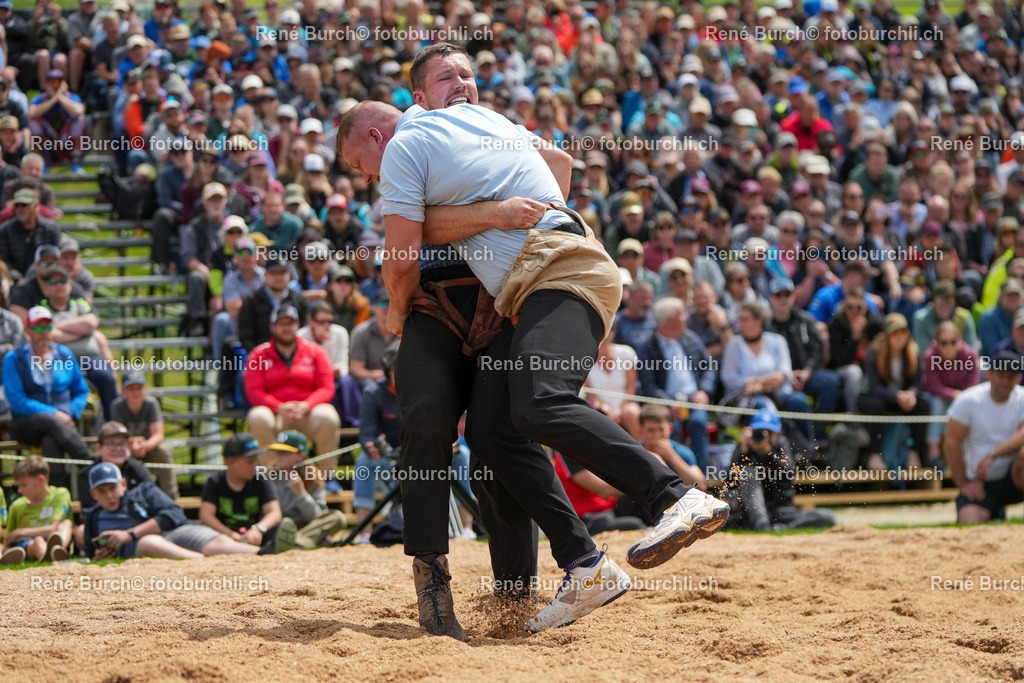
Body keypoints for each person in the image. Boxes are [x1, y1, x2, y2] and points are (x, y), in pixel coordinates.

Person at [339, 75, 727, 618]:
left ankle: (668, 499)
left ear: (382, 134)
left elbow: (406, 252)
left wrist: (398, 310)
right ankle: (575, 568)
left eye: (361, 166)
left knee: (535, 408)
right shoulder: (470, 130)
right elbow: (436, 223)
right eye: (448, 76)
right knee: (494, 436)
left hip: (538, 279)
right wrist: (495, 214)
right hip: (515, 290)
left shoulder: (438, 133)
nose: (366, 178)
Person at [84, 462, 268, 559]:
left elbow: (174, 513)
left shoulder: (144, 491)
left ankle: (264, 553)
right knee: (150, 542)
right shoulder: (93, 516)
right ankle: (204, 561)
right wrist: (100, 554)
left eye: (113, 488)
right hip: (144, 544)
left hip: (173, 531)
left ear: (123, 485)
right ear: (93, 493)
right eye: (102, 491)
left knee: (218, 540)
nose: (109, 495)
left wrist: (129, 534)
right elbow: (90, 552)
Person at [3, 306, 93, 489]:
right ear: (28, 330)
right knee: (49, 421)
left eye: (47, 327)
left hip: (62, 424)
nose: (43, 332)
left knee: (51, 440)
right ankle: (88, 461)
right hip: (26, 423)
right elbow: (17, 401)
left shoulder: (64, 354)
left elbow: (81, 390)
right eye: (38, 327)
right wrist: (55, 414)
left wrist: (70, 412)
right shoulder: (14, 359)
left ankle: (62, 499)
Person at [944, 350, 1024, 524]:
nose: (1005, 381)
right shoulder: (969, 400)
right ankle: (994, 510)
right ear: (989, 374)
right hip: (981, 483)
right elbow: (951, 442)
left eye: (1011, 377)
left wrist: (993, 455)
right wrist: (963, 483)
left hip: (1015, 477)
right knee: (969, 521)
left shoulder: (1022, 397)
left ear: (1018, 379)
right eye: (1001, 375)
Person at [724, 408, 837, 530]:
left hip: (782, 512)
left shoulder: (781, 444)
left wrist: (769, 453)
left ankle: (780, 527)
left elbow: (788, 473)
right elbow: (728, 483)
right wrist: (742, 452)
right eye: (760, 431)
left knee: (827, 517)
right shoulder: (745, 447)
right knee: (747, 471)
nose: (763, 435)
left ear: (776, 433)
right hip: (753, 511)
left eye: (768, 432)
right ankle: (761, 524)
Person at [635, 296, 714, 470]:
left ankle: (700, 475)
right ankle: (673, 476)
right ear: (669, 320)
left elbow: (709, 367)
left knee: (699, 423)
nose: (686, 318)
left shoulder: (691, 338)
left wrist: (704, 391)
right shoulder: (647, 347)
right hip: (667, 404)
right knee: (670, 427)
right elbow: (649, 386)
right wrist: (669, 404)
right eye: (681, 315)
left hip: (695, 400)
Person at [198, 433, 298, 555]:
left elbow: (275, 513)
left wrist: (258, 529)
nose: (254, 465)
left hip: (256, 535)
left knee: (278, 528)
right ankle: (265, 550)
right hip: (225, 536)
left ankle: (270, 548)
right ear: (230, 462)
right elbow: (206, 516)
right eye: (249, 462)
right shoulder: (215, 481)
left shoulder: (261, 480)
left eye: (256, 460)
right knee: (205, 533)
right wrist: (229, 534)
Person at [858, 314, 929, 471]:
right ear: (887, 335)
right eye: (895, 333)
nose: (899, 338)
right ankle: (874, 454)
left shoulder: (914, 352)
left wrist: (911, 394)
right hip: (875, 398)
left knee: (923, 404)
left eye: (903, 333)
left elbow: (917, 384)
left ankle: (914, 453)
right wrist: (897, 396)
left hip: (901, 398)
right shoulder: (873, 353)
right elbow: (874, 386)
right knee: (876, 404)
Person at [264, 430, 347, 548]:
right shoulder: (269, 476)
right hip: (280, 526)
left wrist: (301, 494)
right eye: (277, 452)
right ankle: (301, 541)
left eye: (284, 452)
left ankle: (292, 542)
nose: (278, 456)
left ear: (301, 456)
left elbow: (318, 516)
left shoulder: (313, 477)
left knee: (337, 518)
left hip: (307, 526)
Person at [353, 347, 401, 543]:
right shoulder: (372, 392)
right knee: (364, 461)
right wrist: (370, 445)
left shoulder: (424, 388)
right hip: (386, 457)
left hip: (421, 453)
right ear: (388, 370)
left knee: (463, 456)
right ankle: (365, 531)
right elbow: (367, 432)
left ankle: (467, 528)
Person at [110, 370, 178, 499]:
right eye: (131, 388)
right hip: (128, 447)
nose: (136, 392)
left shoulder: (151, 404)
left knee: (163, 451)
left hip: (149, 447)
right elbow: (117, 435)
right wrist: (133, 443)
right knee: (123, 455)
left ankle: (171, 498)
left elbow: (158, 434)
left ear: (145, 388)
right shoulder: (117, 406)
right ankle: (127, 497)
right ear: (123, 390)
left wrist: (145, 446)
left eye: (139, 388)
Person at [921, 321, 980, 467]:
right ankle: (933, 452)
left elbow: (973, 384)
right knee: (937, 403)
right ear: (936, 342)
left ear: (960, 341)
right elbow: (933, 386)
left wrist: (961, 397)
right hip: (938, 397)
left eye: (953, 341)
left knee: (972, 404)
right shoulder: (930, 356)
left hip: (963, 397)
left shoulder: (970, 355)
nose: (949, 346)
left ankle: (969, 454)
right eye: (944, 342)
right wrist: (953, 394)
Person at [1, 455, 72, 564]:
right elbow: (8, 538)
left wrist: (21, 531)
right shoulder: (17, 506)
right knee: (38, 541)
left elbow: (53, 528)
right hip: (27, 545)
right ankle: (52, 559)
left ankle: (57, 551)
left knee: (66, 523)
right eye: (18, 485)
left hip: (53, 539)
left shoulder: (60, 494)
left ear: (41, 480)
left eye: (23, 485)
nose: (19, 490)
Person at [0, 188, 62, 282]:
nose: (20, 209)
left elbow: (57, 256)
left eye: (24, 205)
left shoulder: (51, 228)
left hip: (48, 279)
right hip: (14, 282)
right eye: (17, 205)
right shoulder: (6, 230)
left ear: (35, 206)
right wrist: (17, 278)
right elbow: (4, 259)